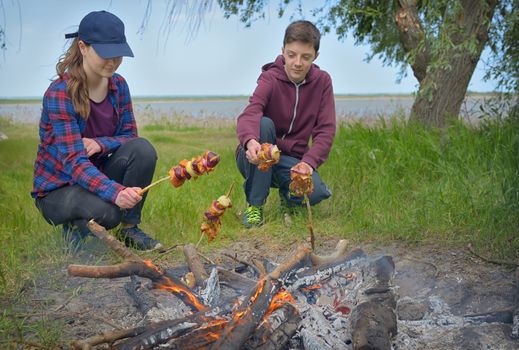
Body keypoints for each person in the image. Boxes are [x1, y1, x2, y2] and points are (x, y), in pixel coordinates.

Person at [31, 10, 161, 251]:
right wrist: (117, 192)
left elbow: (129, 136)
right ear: (83, 47)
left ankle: (129, 230)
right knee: (110, 212)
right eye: (105, 54)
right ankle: (73, 233)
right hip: (59, 189)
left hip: (94, 177)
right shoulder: (60, 93)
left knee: (142, 149)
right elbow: (75, 163)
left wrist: (101, 144)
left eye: (118, 55)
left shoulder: (119, 85)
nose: (112, 62)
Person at [236, 20, 336, 228]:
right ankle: (254, 206)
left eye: (305, 57)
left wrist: (308, 163)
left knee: (317, 192)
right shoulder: (270, 78)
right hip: (257, 156)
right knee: (263, 124)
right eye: (291, 55)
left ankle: (288, 199)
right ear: (283, 51)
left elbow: (325, 130)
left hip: (292, 160)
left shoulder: (323, 82)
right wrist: (250, 141)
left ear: (315, 56)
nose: (297, 62)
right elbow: (251, 112)